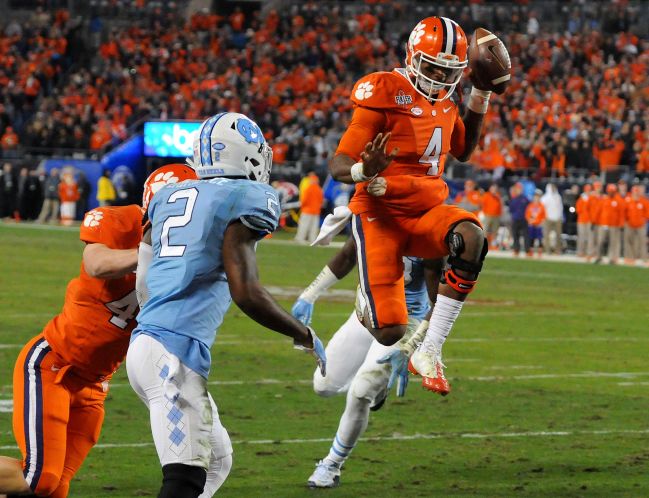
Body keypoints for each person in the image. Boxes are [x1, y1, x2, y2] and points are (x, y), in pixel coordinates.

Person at [126, 112, 326, 498]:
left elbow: (144, 279)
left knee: (217, 460)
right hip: (173, 351)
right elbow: (246, 292)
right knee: (184, 479)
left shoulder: (168, 195)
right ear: (247, 156)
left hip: (148, 343)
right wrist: (303, 333)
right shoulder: (250, 196)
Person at [327, 16, 503, 393]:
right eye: (432, 66)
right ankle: (367, 303)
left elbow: (464, 150)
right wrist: (362, 169)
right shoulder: (385, 90)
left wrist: (480, 95)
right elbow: (338, 162)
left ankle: (431, 349)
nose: (440, 76)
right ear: (411, 56)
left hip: (424, 210)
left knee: (471, 236)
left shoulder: (447, 101)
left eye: (448, 69)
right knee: (390, 332)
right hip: (381, 213)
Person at [0, 164, 195, 497]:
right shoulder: (122, 221)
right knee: (39, 479)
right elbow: (97, 263)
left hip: (95, 385)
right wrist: (148, 256)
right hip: (54, 364)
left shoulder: (190, 252)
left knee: (54, 489)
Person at [291, 238, 441, 488]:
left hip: (403, 324)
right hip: (364, 315)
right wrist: (310, 294)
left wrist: (413, 345)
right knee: (324, 385)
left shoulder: (428, 233)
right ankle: (377, 388)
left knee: (360, 392)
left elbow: (441, 303)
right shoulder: (370, 215)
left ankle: (332, 464)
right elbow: (348, 255)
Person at [595, 183, 625, 264]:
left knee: (613, 242)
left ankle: (612, 258)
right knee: (600, 241)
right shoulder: (604, 199)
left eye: (612, 191)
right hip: (603, 224)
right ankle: (598, 257)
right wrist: (594, 222)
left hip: (614, 225)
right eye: (610, 191)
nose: (611, 193)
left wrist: (621, 224)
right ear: (607, 191)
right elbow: (598, 211)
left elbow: (621, 214)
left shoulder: (619, 200)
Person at [295, 173, 324, 244]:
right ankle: (312, 239)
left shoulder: (308, 189)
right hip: (316, 211)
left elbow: (304, 200)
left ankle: (300, 238)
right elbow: (321, 201)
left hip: (307, 210)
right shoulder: (319, 189)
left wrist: (302, 207)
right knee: (314, 227)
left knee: (304, 225)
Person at [540, 183, 563, 255]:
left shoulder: (558, 197)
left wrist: (560, 216)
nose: (553, 189)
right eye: (552, 187)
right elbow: (541, 209)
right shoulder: (544, 198)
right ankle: (547, 250)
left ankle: (557, 250)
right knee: (546, 235)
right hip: (547, 218)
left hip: (557, 218)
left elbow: (560, 208)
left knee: (558, 235)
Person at [508, 182, 530, 256]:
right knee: (515, 235)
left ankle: (527, 251)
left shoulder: (525, 199)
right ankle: (516, 250)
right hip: (515, 219)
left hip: (524, 219)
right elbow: (511, 209)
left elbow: (529, 208)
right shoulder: (513, 199)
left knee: (526, 235)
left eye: (520, 189)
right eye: (517, 189)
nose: (518, 190)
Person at [481, 183, 503, 250]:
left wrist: (500, 214)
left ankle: (493, 245)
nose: (494, 190)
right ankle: (484, 244)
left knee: (495, 231)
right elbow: (483, 204)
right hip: (488, 215)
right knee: (485, 230)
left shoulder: (498, 196)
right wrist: (485, 213)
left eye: (495, 189)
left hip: (496, 216)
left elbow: (500, 206)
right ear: (490, 189)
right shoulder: (486, 195)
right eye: (493, 188)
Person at [526, 189, 546, 256]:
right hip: (532, 224)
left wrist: (541, 222)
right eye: (535, 197)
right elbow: (527, 214)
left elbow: (544, 215)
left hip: (538, 225)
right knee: (531, 238)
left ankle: (540, 251)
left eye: (538, 197)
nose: (536, 199)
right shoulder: (530, 205)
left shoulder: (541, 206)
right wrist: (529, 220)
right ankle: (531, 251)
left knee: (539, 238)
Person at [575, 184, 592, 258]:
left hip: (590, 220)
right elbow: (578, 210)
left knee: (589, 237)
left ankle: (588, 252)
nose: (588, 192)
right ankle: (580, 252)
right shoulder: (581, 199)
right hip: (581, 220)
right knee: (581, 237)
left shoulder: (592, 198)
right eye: (587, 190)